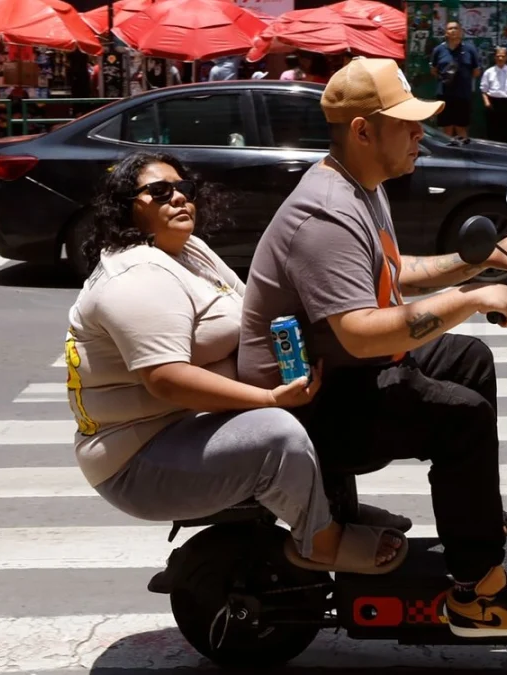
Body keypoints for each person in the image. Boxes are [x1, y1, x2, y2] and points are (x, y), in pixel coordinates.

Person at [236, 56, 507, 639]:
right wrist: (471, 300)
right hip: (309, 403)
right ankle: (478, 595)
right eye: (407, 123)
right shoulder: (326, 212)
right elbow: (362, 329)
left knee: (469, 359)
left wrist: (478, 262)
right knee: (460, 419)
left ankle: (477, 522)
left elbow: (397, 274)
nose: (421, 132)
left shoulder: (362, 187)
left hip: (347, 372)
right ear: (364, 130)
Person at [64, 151, 407, 576]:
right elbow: (166, 379)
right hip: (140, 459)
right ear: (127, 205)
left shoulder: (191, 252)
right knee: (276, 432)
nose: (178, 198)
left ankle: (333, 507)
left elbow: (250, 315)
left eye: (184, 189)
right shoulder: (135, 277)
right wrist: (267, 398)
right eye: (159, 191)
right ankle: (320, 540)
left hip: (189, 426)